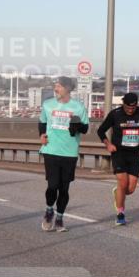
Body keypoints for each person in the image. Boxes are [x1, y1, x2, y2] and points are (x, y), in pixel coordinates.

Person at [39, 76, 89, 232]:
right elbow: (42, 122)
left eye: (59, 86)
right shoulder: (47, 105)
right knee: (53, 185)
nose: (56, 89)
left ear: (68, 88)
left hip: (69, 152)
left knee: (64, 189)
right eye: (55, 86)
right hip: (51, 150)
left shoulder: (79, 107)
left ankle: (59, 218)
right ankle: (49, 211)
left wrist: (77, 126)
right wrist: (42, 134)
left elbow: (85, 128)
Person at [97, 92, 139, 225]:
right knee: (122, 182)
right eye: (128, 108)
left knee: (130, 189)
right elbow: (100, 130)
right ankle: (120, 213)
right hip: (119, 153)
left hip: (134, 155)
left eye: (133, 108)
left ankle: (118, 192)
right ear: (123, 104)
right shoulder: (115, 114)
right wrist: (108, 144)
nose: (130, 110)